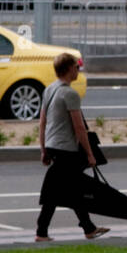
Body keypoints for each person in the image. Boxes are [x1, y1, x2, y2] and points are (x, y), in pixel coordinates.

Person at [37, 52, 108, 242]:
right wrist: (90, 154)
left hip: (53, 145)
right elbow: (79, 127)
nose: (78, 69)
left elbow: (42, 122)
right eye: (77, 66)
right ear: (69, 69)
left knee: (69, 189)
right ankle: (42, 232)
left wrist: (44, 149)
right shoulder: (69, 93)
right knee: (65, 191)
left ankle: (87, 228)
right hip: (66, 149)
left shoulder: (49, 90)